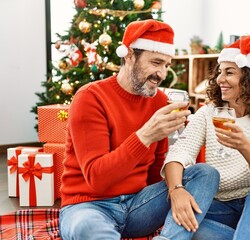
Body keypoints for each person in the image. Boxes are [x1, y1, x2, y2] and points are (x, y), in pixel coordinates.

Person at [59, 19, 220, 240]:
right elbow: (98, 179)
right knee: (88, 229)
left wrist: (174, 192)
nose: (161, 74)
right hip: (90, 206)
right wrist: (145, 135)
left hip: (138, 205)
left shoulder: (159, 100)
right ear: (129, 56)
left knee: (205, 173)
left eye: (166, 65)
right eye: (155, 62)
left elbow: (157, 167)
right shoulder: (90, 98)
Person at [161, 35, 250, 240]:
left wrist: (243, 145)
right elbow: (180, 151)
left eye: (229, 72)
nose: (220, 79)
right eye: (220, 72)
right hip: (222, 206)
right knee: (186, 218)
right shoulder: (208, 113)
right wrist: (176, 190)